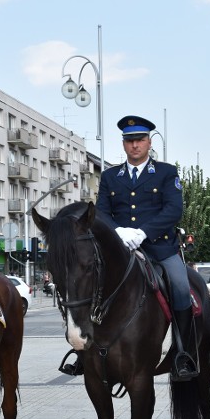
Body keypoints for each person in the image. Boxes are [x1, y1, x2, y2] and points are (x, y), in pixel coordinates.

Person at [59, 115, 198, 381]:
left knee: (181, 287)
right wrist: (117, 232)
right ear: (124, 144)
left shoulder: (167, 172)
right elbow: (102, 211)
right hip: (119, 249)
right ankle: (82, 351)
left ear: (149, 142)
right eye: (130, 140)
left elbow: (173, 210)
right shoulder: (112, 176)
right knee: (87, 284)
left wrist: (144, 232)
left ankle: (183, 353)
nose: (135, 145)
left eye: (140, 140)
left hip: (159, 248)